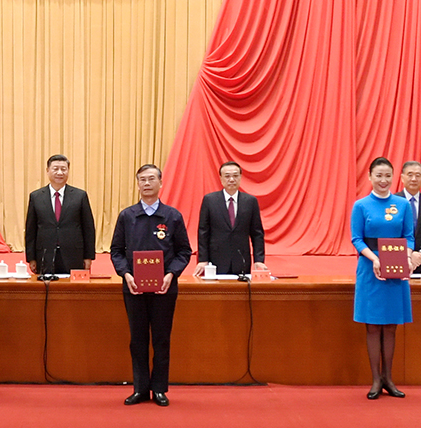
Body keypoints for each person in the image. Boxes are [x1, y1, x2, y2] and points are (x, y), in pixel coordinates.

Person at [110, 164, 192, 407]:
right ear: (137, 184)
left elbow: (184, 251)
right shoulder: (127, 216)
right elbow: (116, 251)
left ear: (160, 183)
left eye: (151, 179)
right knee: (137, 340)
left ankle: (159, 389)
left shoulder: (172, 216)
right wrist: (125, 274)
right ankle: (140, 388)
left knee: (161, 339)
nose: (146, 183)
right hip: (133, 288)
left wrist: (171, 274)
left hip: (164, 289)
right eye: (142, 179)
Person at [351, 156, 415, 400]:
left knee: (390, 326)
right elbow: (357, 239)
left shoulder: (403, 205)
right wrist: (374, 259)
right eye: (378, 175)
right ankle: (376, 379)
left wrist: (407, 257)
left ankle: (389, 378)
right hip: (370, 269)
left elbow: (409, 236)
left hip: (395, 267)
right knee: (373, 325)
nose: (383, 180)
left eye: (388, 175)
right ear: (370, 177)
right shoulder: (361, 206)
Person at [25, 154, 96, 275]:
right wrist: (31, 258)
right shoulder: (36, 197)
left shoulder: (80, 196)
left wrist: (88, 256)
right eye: (55, 169)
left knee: (72, 286)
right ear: (48, 170)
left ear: (68, 171)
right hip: (45, 254)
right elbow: (31, 230)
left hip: (73, 255)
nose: (59, 172)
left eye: (63, 169)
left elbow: (88, 228)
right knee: (46, 286)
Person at [193, 161, 266, 276]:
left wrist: (259, 260)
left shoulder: (250, 201)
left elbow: (257, 233)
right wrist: (203, 259)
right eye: (227, 176)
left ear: (240, 177)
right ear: (221, 178)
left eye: (235, 176)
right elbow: (203, 232)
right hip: (215, 260)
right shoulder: (210, 200)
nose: (231, 179)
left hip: (241, 259)